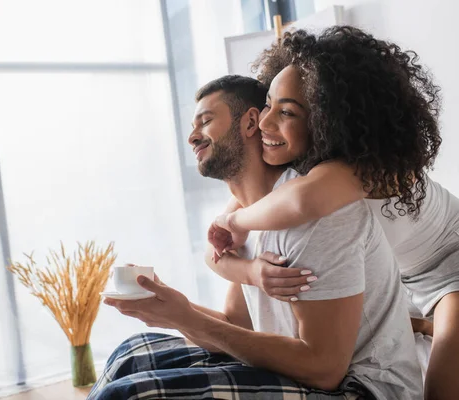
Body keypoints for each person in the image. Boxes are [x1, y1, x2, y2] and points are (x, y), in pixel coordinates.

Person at [87, 75, 422, 400]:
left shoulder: (316, 217)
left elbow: (324, 369)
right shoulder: (244, 220)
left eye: (205, 120)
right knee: (131, 353)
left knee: (132, 393)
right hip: (303, 373)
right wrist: (170, 310)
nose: (192, 137)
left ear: (249, 123)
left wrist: (184, 317)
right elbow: (236, 326)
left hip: (360, 388)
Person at [207, 27, 457, 400]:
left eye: (287, 111)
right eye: (269, 104)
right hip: (400, 278)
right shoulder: (297, 168)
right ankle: (421, 324)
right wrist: (252, 271)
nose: (264, 122)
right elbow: (215, 251)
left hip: (449, 269)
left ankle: (425, 325)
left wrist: (234, 222)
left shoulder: (362, 168)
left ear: (329, 118)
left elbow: (299, 205)